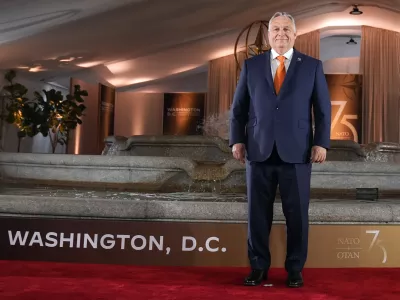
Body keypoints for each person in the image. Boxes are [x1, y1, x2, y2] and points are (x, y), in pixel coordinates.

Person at [229, 12, 331, 288]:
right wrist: (237, 140)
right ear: (269, 34)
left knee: (297, 214)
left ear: (295, 34)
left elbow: (323, 109)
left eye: (287, 29)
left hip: (297, 153)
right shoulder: (251, 66)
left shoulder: (311, 66)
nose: (281, 34)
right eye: (276, 29)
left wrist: (321, 142)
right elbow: (238, 109)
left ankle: (295, 269)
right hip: (258, 151)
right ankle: (258, 267)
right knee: (257, 214)